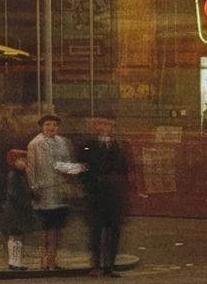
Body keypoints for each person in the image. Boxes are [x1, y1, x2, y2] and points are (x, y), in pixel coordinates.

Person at [75, 117, 138, 272]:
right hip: (96, 193)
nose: (104, 127)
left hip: (114, 194)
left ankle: (109, 264)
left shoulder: (118, 145)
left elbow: (125, 169)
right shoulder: (87, 145)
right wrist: (89, 185)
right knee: (96, 230)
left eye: (108, 124)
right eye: (100, 124)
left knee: (114, 230)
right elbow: (82, 167)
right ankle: (96, 264)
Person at [21, 113, 80, 273]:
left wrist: (76, 172)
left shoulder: (63, 143)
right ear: (42, 127)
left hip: (59, 191)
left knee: (56, 228)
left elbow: (67, 165)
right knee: (44, 228)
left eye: (54, 125)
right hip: (43, 191)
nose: (51, 128)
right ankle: (44, 261)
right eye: (47, 125)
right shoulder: (35, 144)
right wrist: (33, 188)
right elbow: (31, 169)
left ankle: (52, 261)